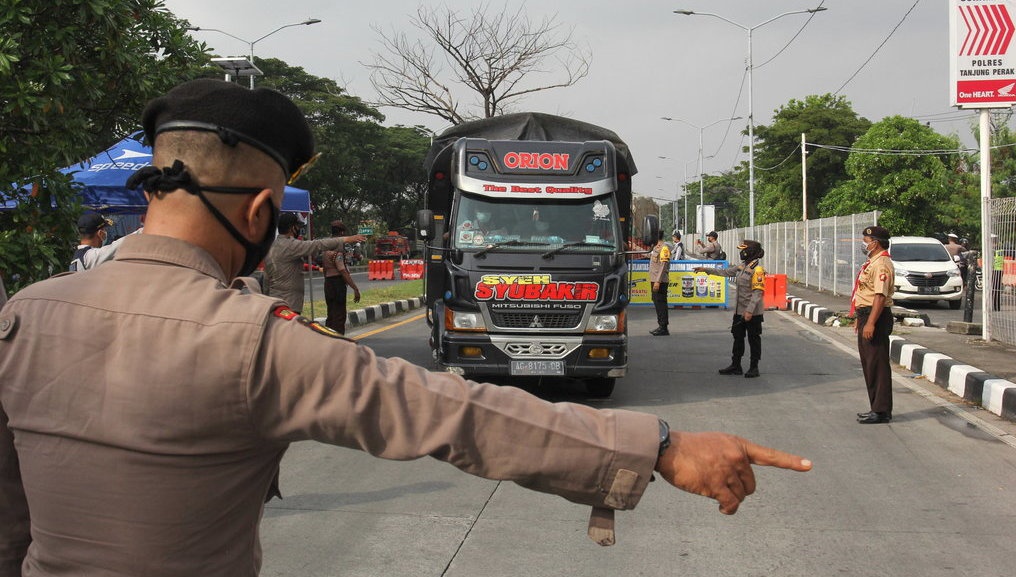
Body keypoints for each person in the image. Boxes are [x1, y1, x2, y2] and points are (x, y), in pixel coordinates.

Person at [0, 78, 811, 576]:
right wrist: (660, 445)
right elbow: (454, 413)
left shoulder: (23, 314)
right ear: (259, 213)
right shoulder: (251, 341)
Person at [264, 212, 365, 313]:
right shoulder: (290, 245)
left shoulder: (271, 247)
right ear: (292, 228)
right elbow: (317, 245)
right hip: (288, 304)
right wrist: (346, 239)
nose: (299, 229)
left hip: (274, 303)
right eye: (298, 226)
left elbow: (266, 280)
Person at [695, 240, 766, 378]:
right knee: (738, 338)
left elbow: (757, 293)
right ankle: (736, 365)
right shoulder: (742, 266)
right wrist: (706, 270)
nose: (741, 252)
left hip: (752, 313)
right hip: (739, 311)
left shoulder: (757, 270)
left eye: (744, 250)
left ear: (750, 251)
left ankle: (754, 367)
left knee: (754, 339)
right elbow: (725, 272)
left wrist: (750, 311)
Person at [850, 226, 896, 424]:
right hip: (866, 314)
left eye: (866, 241)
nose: (864, 244)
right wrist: (859, 318)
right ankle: (876, 407)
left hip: (875, 316)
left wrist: (870, 322)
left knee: (877, 364)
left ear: (875, 243)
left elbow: (879, 296)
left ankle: (881, 410)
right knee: (870, 364)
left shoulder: (882, 264)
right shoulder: (873, 262)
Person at [322, 220, 361, 334]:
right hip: (337, 283)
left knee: (331, 313)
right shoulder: (338, 249)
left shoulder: (326, 247)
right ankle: (338, 338)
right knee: (339, 315)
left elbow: (324, 269)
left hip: (328, 282)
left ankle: (329, 337)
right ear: (342, 233)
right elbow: (343, 271)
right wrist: (355, 288)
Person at [648, 230, 671, 336]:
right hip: (654, 279)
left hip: (660, 280)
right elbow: (650, 256)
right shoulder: (656, 247)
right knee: (657, 301)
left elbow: (663, 266)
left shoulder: (664, 248)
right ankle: (661, 325)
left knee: (661, 303)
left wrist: (658, 281)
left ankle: (663, 327)